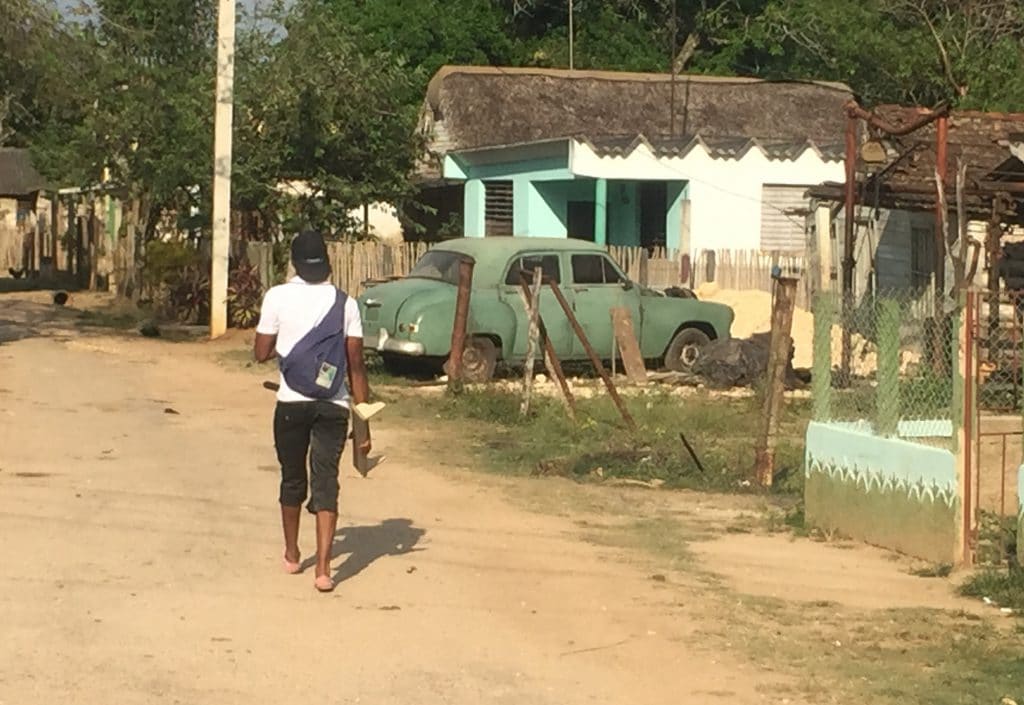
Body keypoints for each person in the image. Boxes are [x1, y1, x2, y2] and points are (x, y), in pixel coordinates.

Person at [254, 230, 371, 593]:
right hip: (333, 406)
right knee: (326, 483)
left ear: (294, 263)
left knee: (292, 479)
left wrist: (291, 356)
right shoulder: (346, 303)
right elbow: (356, 366)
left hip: (290, 403)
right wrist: (364, 425)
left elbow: (260, 352)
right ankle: (323, 570)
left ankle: (292, 553)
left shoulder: (277, 296)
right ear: (327, 261)